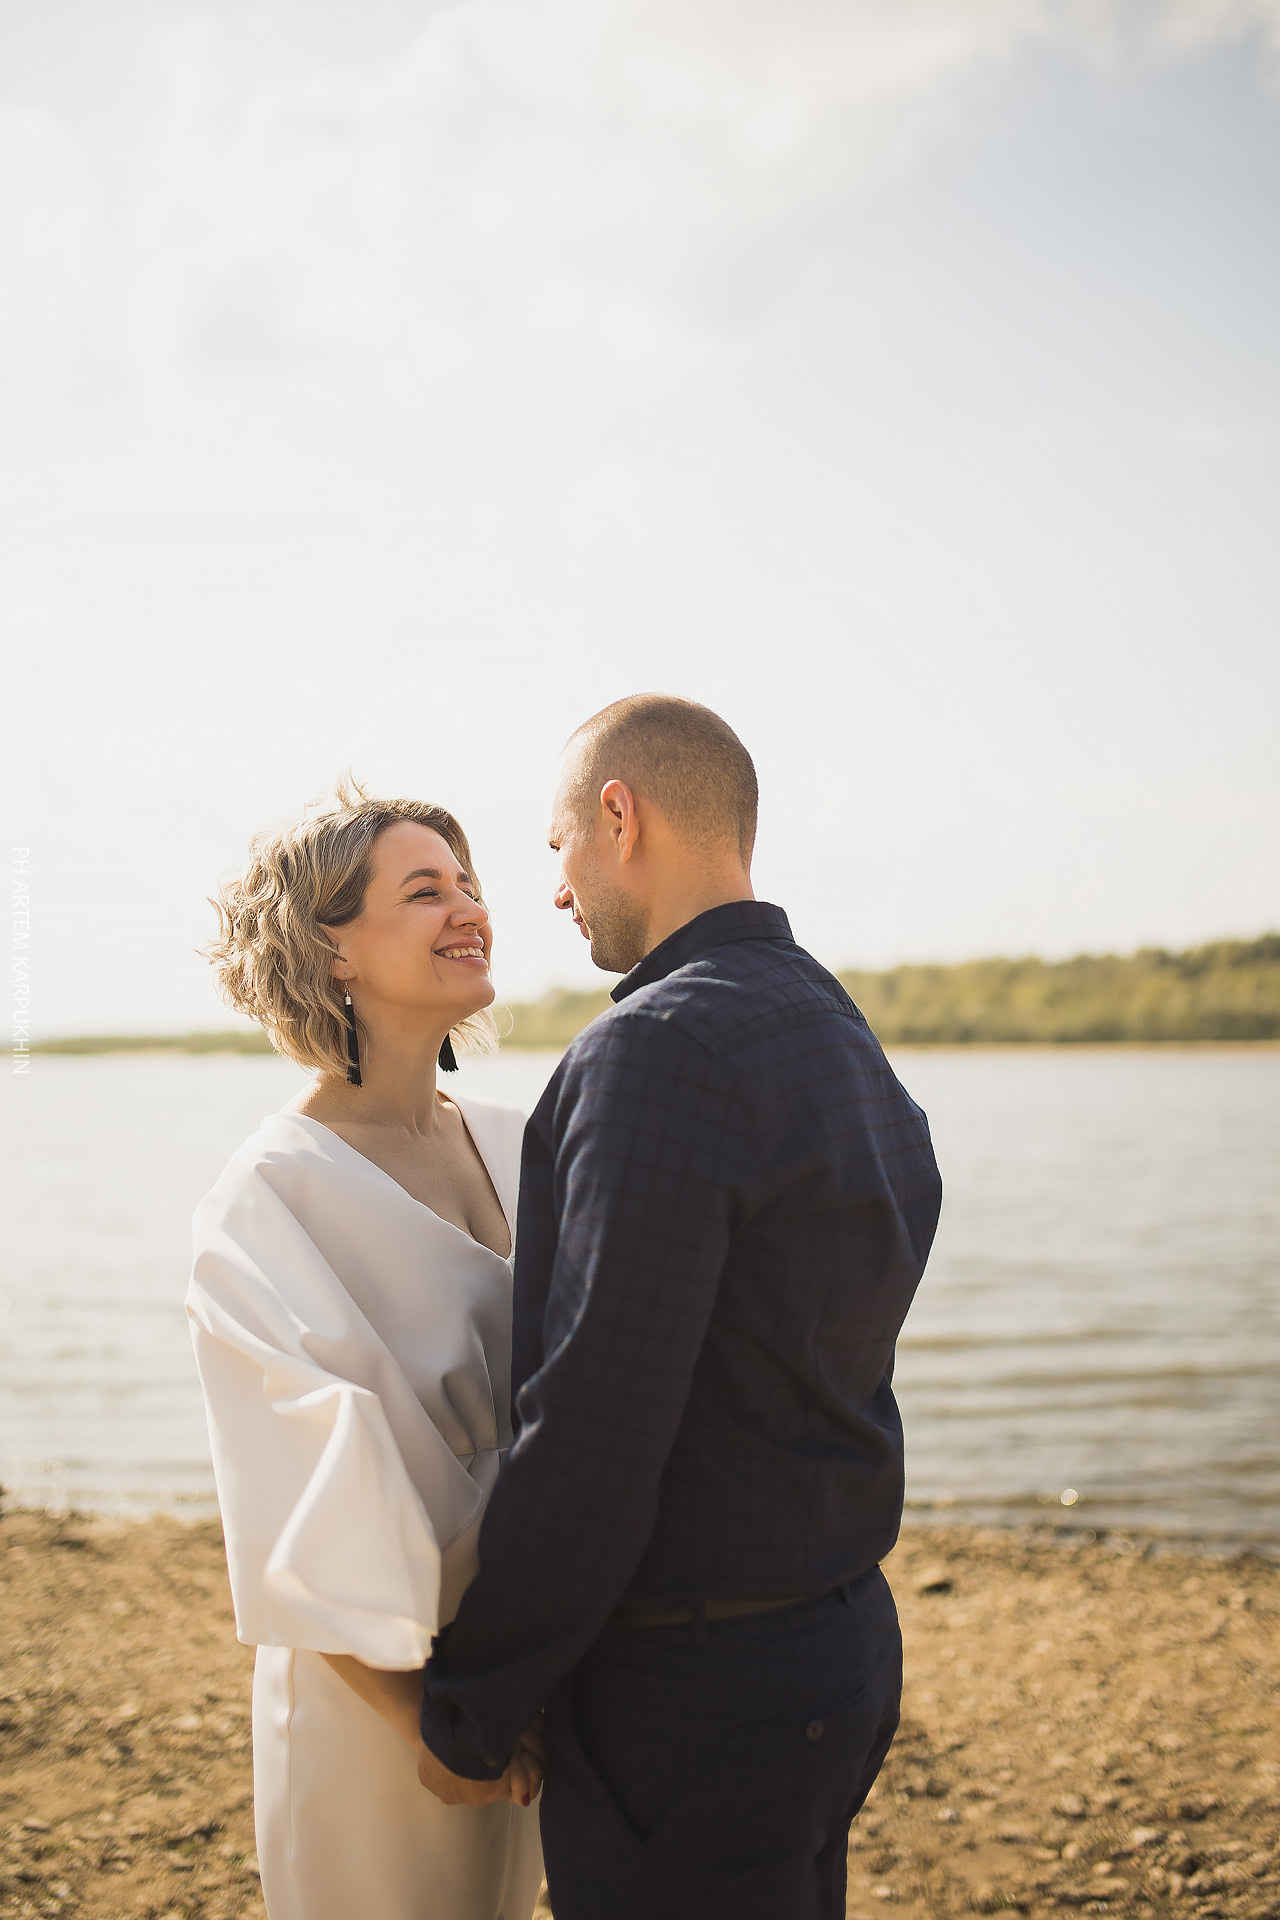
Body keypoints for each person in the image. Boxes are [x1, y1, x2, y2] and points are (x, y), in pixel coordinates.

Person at [416, 695, 944, 1919]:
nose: (555, 889)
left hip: (695, 1695)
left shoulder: (655, 1051)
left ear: (620, 816)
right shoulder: (831, 1026)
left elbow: (596, 1428)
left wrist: (473, 1705)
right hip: (836, 1647)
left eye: (558, 846)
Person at [187, 783, 545, 1920]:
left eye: (469, 883)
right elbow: (292, 1496)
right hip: (380, 1691)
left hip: (523, 1658)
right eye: (425, 890)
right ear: (330, 947)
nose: (470, 908)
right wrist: (425, 1720)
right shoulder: (269, 1194)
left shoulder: (523, 1141)